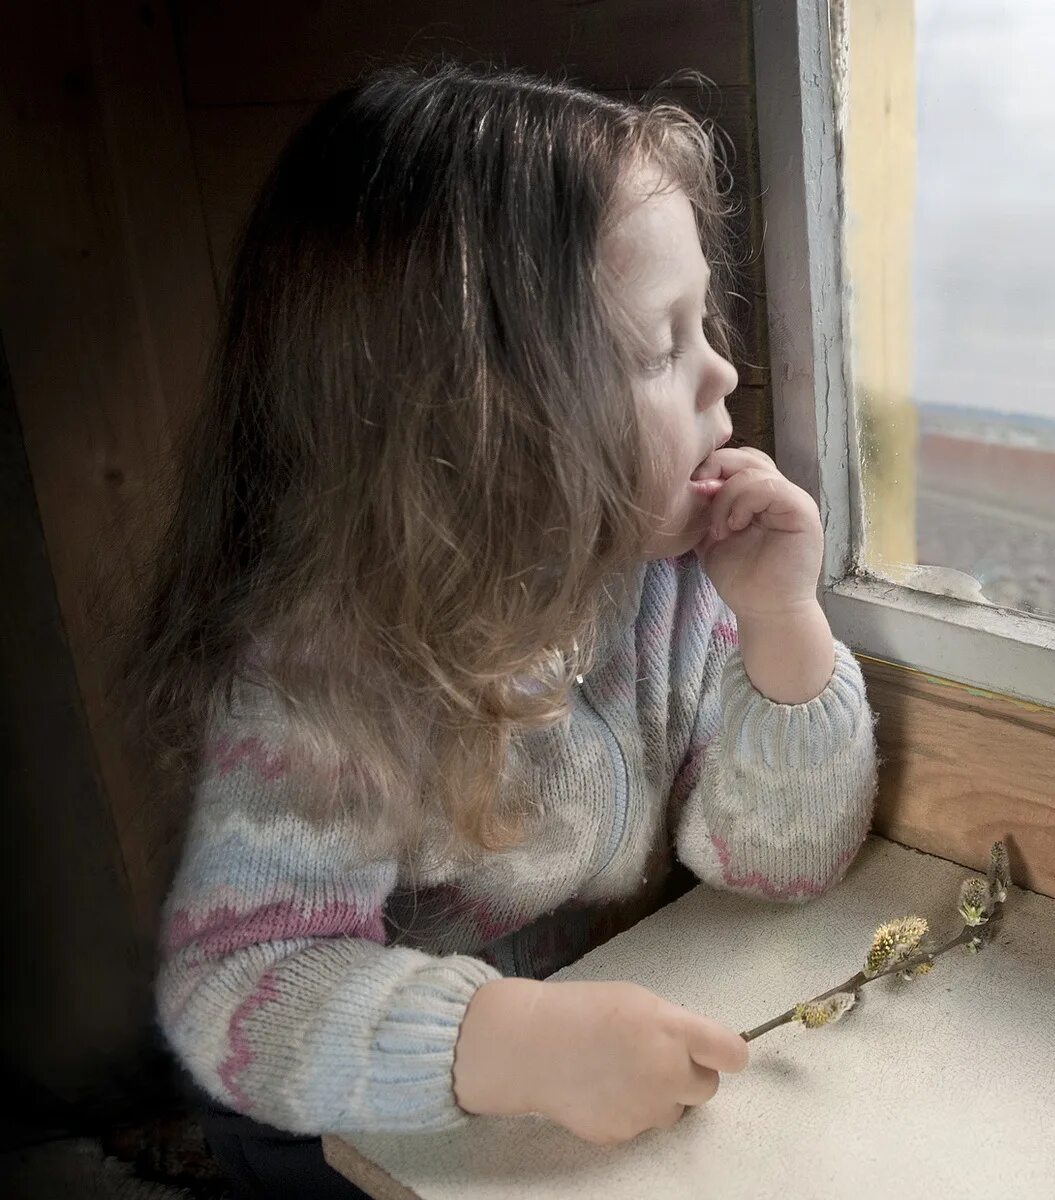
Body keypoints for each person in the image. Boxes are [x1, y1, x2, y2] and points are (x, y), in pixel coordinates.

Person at [129, 63, 877, 1196]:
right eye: (659, 347)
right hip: (342, 1117)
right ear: (483, 418)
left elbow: (777, 865)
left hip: (560, 1072)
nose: (726, 370)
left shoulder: (669, 584)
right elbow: (233, 983)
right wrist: (513, 1046)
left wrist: (783, 624)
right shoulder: (332, 669)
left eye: (704, 322)